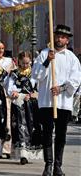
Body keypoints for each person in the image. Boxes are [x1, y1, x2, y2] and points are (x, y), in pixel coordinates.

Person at [32, 25, 81, 176]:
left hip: (63, 102)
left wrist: (61, 88)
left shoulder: (71, 58)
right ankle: (48, 164)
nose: (59, 39)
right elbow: (36, 75)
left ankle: (58, 166)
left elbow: (76, 79)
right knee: (47, 133)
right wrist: (47, 61)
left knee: (61, 135)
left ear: (67, 40)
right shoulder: (44, 54)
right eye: (57, 36)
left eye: (62, 36)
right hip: (47, 101)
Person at [7, 51, 42, 165]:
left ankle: (30, 152)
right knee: (20, 127)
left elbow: (39, 88)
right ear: (19, 62)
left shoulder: (34, 74)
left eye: (28, 63)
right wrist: (16, 93)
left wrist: (34, 94)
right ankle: (23, 154)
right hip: (19, 104)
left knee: (32, 127)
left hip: (32, 105)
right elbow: (9, 88)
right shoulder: (14, 74)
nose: (26, 65)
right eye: (23, 63)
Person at [0, 40, 17, 159]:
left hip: (6, 94)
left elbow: (14, 77)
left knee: (7, 121)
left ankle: (6, 149)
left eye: (2, 48)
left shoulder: (9, 61)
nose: (0, 51)